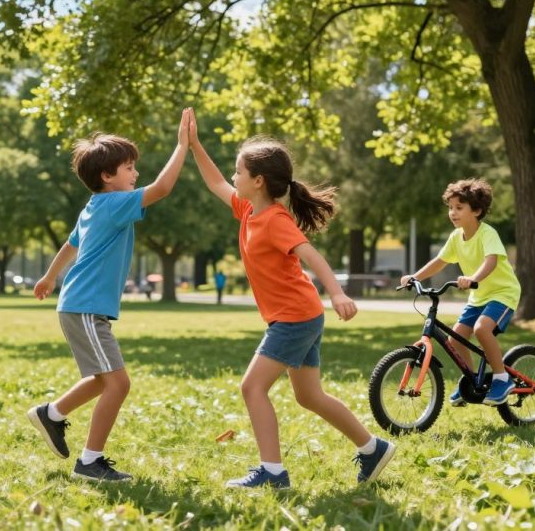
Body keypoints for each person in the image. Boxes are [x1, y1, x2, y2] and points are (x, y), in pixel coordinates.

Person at [189, 121, 395, 489]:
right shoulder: (248, 211)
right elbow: (214, 182)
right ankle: (372, 449)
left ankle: (272, 472)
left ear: (258, 181)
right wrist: (193, 144)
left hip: (295, 318)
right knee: (309, 396)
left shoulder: (274, 220)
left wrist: (338, 293)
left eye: (239, 171)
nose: (233, 176)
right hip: (300, 316)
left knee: (252, 388)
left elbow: (309, 254)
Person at [26, 108, 193, 483]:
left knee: (103, 380)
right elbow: (163, 189)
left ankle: (51, 414)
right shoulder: (114, 203)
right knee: (118, 383)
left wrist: (50, 276)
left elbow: (70, 245)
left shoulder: (93, 207)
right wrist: (182, 146)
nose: (136, 175)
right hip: (84, 307)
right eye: (130, 168)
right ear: (107, 176)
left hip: (80, 306)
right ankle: (90, 462)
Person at [400, 178, 520, 407]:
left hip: (503, 293)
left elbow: (491, 261)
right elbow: (440, 261)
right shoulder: (456, 237)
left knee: (482, 329)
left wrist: (473, 278)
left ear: (476, 210)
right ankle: (472, 380)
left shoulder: (487, 234)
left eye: (459, 208)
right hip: (478, 297)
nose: (452, 213)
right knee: (456, 340)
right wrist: (415, 277)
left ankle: (502, 378)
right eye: (450, 208)